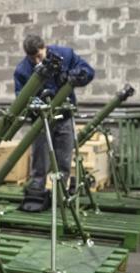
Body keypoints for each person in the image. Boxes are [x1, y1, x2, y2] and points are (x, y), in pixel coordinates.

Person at [13, 34, 95, 200]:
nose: (36, 61)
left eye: (39, 56)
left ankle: (60, 191)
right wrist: (36, 101)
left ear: (45, 48)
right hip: (40, 120)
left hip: (64, 116)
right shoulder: (22, 70)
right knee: (39, 158)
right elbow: (20, 98)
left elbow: (88, 71)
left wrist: (74, 75)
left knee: (64, 156)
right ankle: (36, 191)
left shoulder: (65, 55)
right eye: (32, 58)